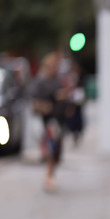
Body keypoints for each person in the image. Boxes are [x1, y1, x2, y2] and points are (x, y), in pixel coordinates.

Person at [31, 52, 70, 192]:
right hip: (48, 121)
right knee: (51, 150)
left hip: (58, 120)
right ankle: (48, 177)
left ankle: (50, 176)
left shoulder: (57, 80)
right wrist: (54, 98)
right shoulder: (41, 81)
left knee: (56, 152)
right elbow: (36, 101)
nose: (56, 68)